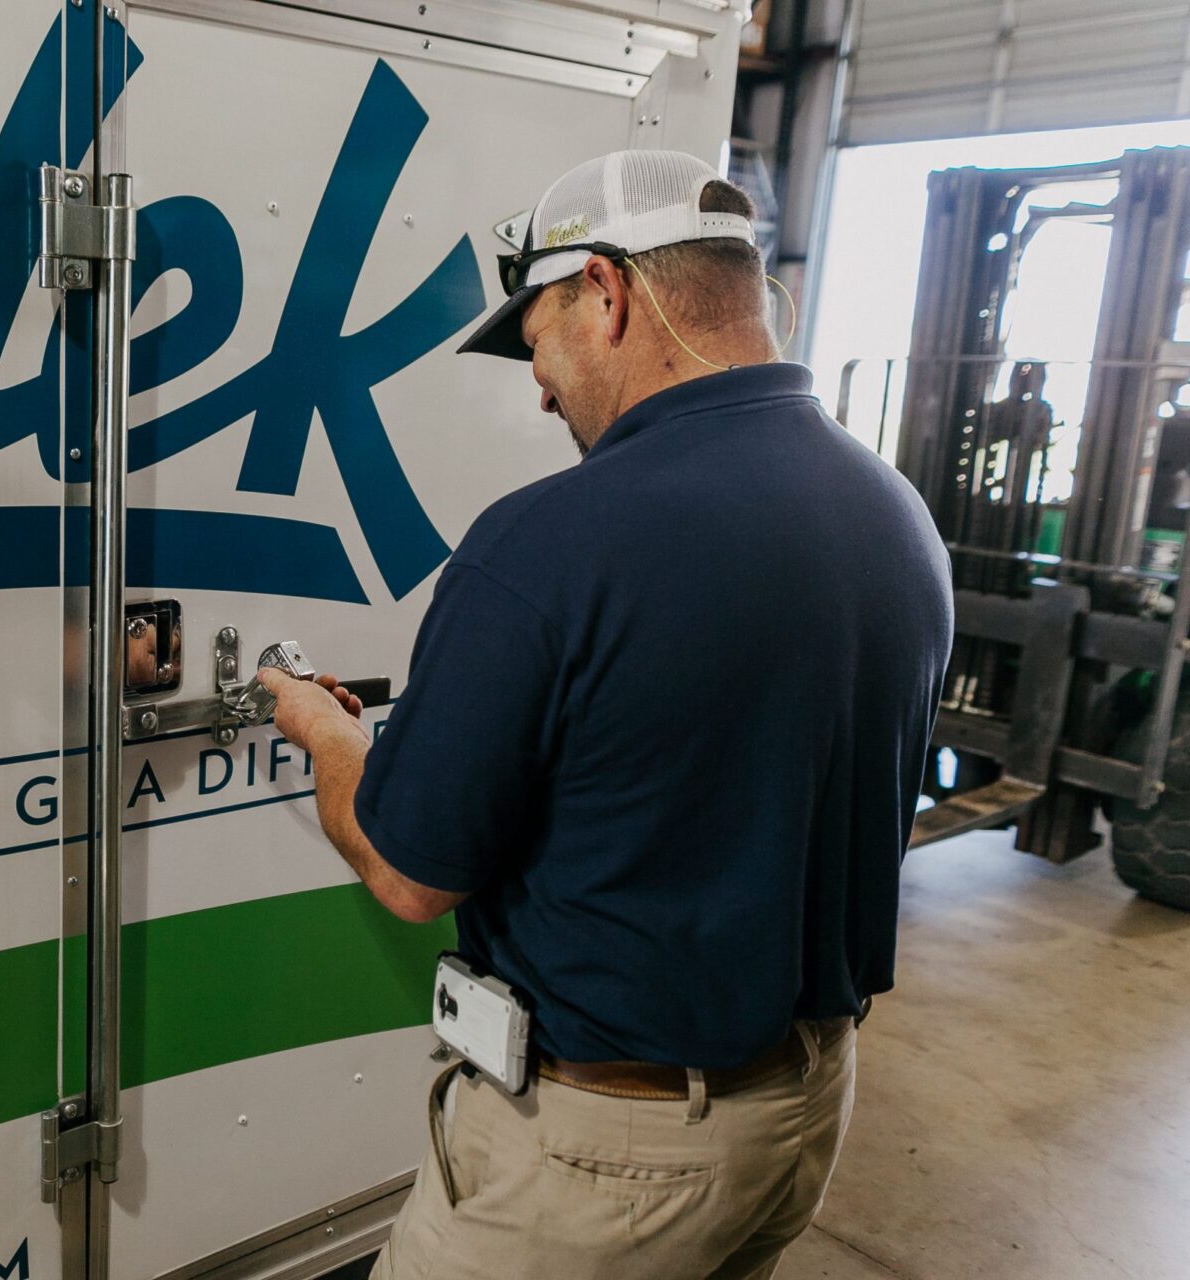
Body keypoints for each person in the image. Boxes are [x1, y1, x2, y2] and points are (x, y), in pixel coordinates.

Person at [256, 150, 953, 1279]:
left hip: (604, 1165)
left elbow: (407, 871)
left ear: (607, 291)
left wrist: (329, 737)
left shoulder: (547, 543)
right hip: (800, 1113)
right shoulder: (895, 515)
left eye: (536, 343)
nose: (539, 389)